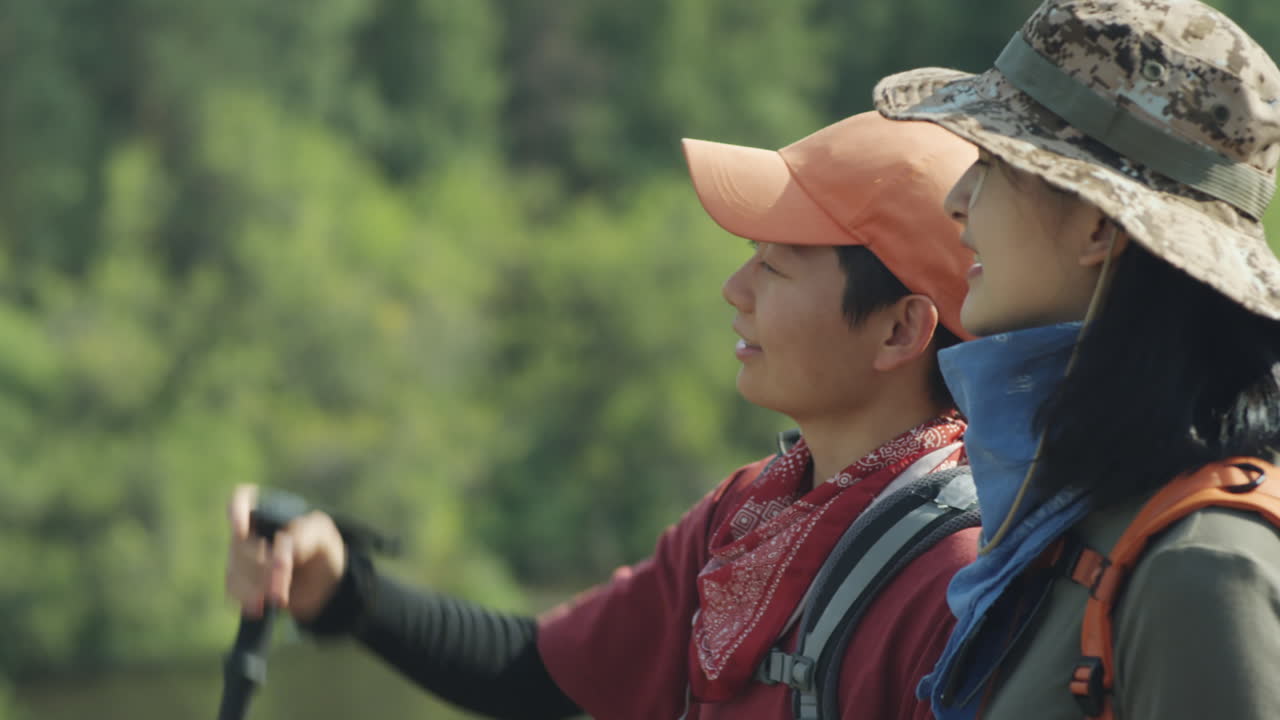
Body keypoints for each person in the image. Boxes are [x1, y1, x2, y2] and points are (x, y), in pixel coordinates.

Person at [225, 105, 980, 719]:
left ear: (900, 329)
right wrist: (342, 589)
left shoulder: (960, 581)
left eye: (776, 265)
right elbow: (538, 673)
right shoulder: (748, 512)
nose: (734, 289)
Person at [872, 0, 1280, 718]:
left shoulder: (1203, 566)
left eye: (993, 163)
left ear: (1097, 225)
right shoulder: (1079, 518)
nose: (956, 199)